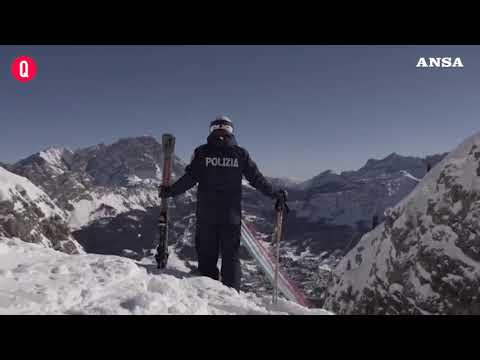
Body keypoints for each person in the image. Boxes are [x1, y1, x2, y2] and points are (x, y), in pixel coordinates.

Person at [159, 115, 286, 291]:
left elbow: (190, 178)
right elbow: (256, 179)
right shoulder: (240, 154)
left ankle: (209, 294)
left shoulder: (202, 152)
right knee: (231, 257)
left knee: (207, 256)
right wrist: (274, 194)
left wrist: (170, 191)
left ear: (211, 130)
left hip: (206, 215)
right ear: (231, 131)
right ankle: (232, 295)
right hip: (231, 217)